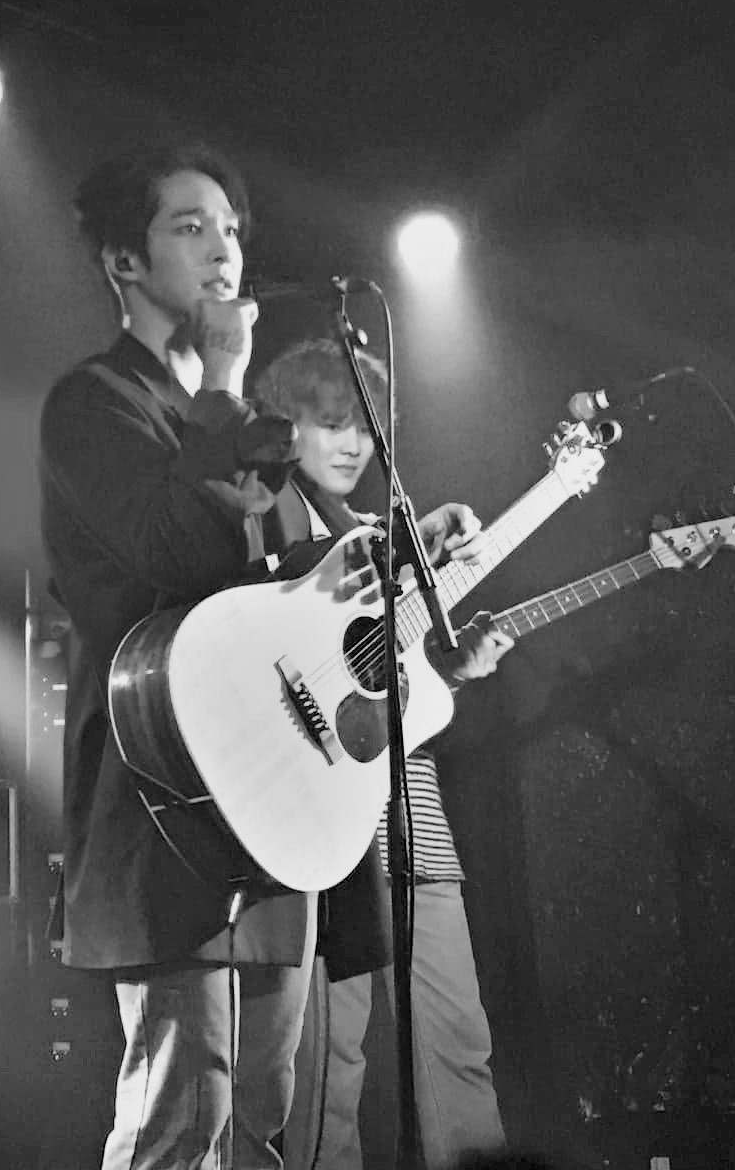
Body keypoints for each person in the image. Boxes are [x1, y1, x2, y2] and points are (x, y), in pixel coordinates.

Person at [38, 143, 500, 1170]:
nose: (224, 249)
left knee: (265, 1108)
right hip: (169, 793)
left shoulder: (251, 429)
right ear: (123, 261)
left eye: (232, 228)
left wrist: (388, 563)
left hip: (280, 805)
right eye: (189, 227)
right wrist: (223, 378)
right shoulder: (94, 404)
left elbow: (284, 595)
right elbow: (176, 552)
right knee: (183, 1109)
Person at [250, 338, 512, 1170]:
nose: (354, 445)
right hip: (324, 827)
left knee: (459, 1044)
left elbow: (395, 689)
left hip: (412, 820)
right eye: (333, 423)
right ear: (285, 425)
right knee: (329, 1069)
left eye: (366, 428)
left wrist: (449, 670)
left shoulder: (377, 535)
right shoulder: (261, 518)